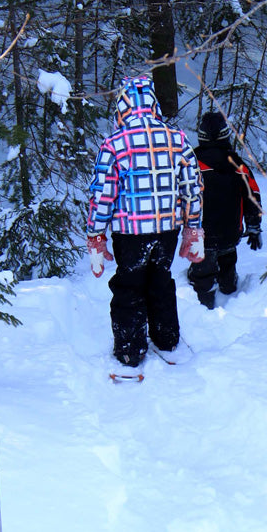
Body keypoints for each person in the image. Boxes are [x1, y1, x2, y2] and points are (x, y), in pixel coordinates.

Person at [86, 76, 205, 367]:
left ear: (122, 107)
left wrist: (96, 234)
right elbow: (192, 186)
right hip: (167, 229)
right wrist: (193, 227)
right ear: (153, 105)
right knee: (161, 279)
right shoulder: (177, 139)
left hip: (130, 233)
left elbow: (103, 193)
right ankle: (167, 338)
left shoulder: (114, 144)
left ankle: (130, 348)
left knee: (130, 284)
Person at [187, 111, 262, 309]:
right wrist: (254, 226)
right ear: (225, 134)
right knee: (227, 262)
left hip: (201, 234)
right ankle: (228, 289)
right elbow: (253, 196)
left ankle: (204, 307)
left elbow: (179, 195)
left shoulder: (191, 164)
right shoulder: (238, 164)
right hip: (230, 231)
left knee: (202, 273)